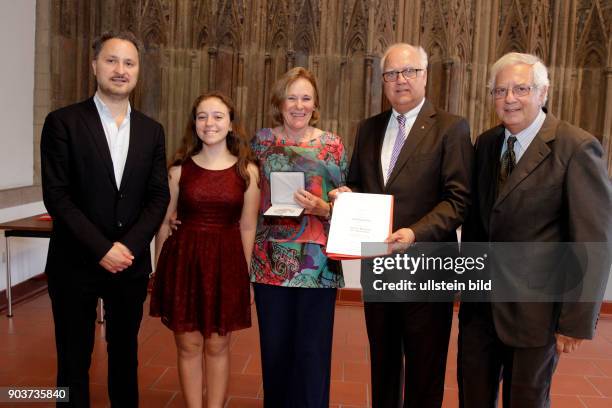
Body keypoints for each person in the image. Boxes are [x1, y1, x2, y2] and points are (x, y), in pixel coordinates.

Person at [458, 52, 612, 408]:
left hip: (536, 313)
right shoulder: (486, 143)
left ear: (543, 93)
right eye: (500, 91)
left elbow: (593, 240)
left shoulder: (576, 147)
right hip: (480, 309)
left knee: (525, 399)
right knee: (472, 396)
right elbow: (480, 224)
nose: (509, 98)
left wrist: (575, 319)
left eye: (521, 89)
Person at [330, 43, 473, 407]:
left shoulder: (450, 128)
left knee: (425, 370)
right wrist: (348, 194)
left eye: (409, 71)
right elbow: (361, 183)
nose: (400, 80)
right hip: (378, 265)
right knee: (383, 364)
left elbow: (458, 200)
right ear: (383, 81)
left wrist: (414, 233)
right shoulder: (369, 128)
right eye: (392, 73)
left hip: (427, 267)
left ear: (425, 76)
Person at [40, 31, 170, 407]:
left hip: (128, 265)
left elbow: (158, 195)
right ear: (94, 65)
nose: (120, 69)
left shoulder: (151, 130)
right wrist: (101, 249)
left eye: (129, 63)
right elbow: (58, 196)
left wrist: (127, 247)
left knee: (125, 357)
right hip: (75, 262)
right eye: (111, 60)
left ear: (138, 72)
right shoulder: (62, 122)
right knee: (73, 359)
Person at [149, 91, 259, 408]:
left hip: (226, 265)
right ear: (194, 123)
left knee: (217, 346)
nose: (209, 123)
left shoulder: (247, 172)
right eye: (202, 116)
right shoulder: (178, 171)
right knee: (189, 345)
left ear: (231, 123)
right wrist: (158, 271)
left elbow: (248, 227)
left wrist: (246, 277)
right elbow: (164, 224)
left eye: (217, 116)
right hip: (184, 263)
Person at [250, 66, 347, 407]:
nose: (299, 105)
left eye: (306, 97)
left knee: (312, 353)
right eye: (292, 97)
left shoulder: (332, 145)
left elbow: (345, 203)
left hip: (318, 265)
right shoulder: (261, 141)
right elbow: (244, 193)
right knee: (275, 351)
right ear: (279, 102)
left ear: (315, 103)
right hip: (270, 262)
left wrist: (325, 207)